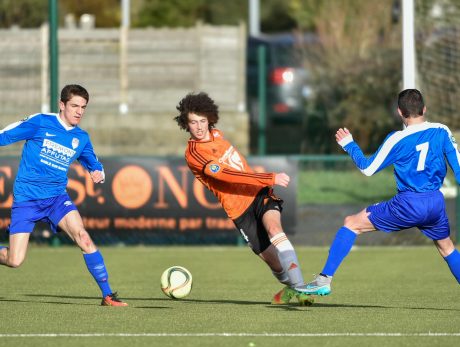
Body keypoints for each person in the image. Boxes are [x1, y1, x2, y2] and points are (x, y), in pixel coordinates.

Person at [295, 88, 460, 296]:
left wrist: (349, 145)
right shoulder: (442, 131)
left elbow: (368, 168)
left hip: (408, 204)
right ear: (424, 109)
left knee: (351, 223)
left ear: (400, 112)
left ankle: (323, 280)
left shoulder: (397, 139)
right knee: (447, 248)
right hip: (435, 203)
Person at [174, 92, 313, 305]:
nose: (200, 126)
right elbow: (225, 175)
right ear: (186, 124)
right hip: (239, 211)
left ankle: (301, 288)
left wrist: (263, 182)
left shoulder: (217, 135)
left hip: (259, 194)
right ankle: (292, 286)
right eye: (194, 122)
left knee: (275, 230)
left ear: (210, 118)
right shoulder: (194, 153)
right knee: (274, 264)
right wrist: (269, 176)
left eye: (203, 120)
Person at [0, 84, 127, 307]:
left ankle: (108, 295)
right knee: (15, 260)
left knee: (84, 237)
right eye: (74, 106)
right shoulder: (40, 122)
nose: (79, 111)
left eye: (83, 107)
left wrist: (98, 172)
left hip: (57, 199)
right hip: (27, 200)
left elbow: (93, 163)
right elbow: (4, 136)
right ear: (62, 105)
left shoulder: (81, 137)